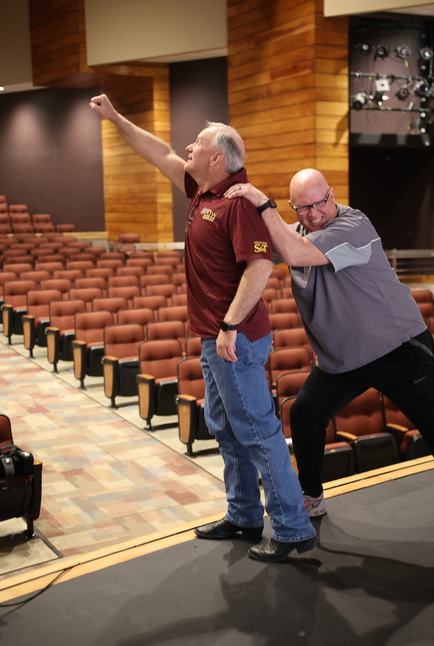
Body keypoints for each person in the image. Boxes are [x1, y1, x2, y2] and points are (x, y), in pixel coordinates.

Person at [225, 168, 434, 565]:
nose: (315, 213)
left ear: (332, 195)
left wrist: (260, 201)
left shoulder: (354, 224)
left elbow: (294, 253)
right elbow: (266, 244)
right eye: (303, 208)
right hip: (344, 362)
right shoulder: (296, 232)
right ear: (294, 207)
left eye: (320, 202)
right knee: (304, 413)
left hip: (399, 349)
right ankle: (313, 497)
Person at [88, 95, 316, 563]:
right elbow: (158, 153)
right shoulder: (202, 190)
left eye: (197, 143)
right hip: (216, 339)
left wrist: (230, 325)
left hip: (236, 338)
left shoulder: (238, 204)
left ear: (218, 157)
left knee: (257, 431)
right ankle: (244, 515)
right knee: (226, 429)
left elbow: (260, 266)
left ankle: (292, 527)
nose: (187, 147)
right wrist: (115, 119)